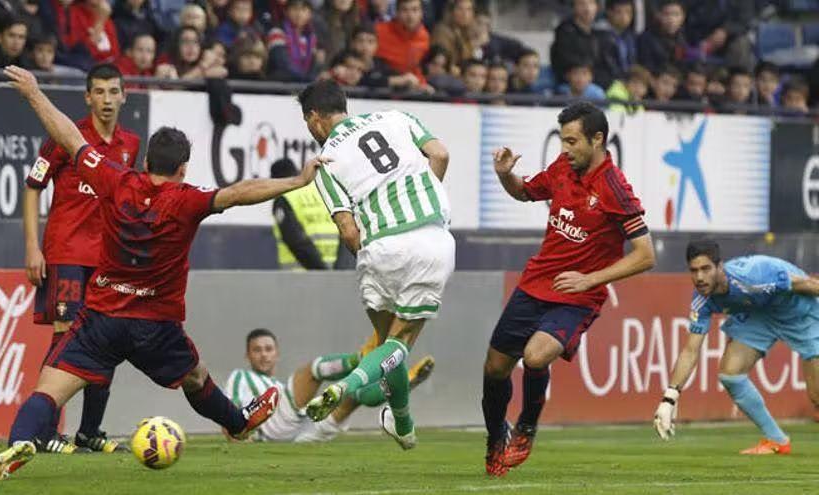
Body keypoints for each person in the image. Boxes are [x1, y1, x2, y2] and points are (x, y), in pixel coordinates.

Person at [0, 65, 322, 480]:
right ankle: (238, 424)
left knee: (48, 392)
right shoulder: (188, 200)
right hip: (156, 327)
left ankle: (19, 440)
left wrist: (34, 93)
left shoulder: (116, 180)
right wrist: (297, 180)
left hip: (102, 318)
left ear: (145, 161)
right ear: (183, 169)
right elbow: (238, 193)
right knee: (196, 378)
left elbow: (69, 137)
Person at [482, 102, 655, 477]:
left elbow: (646, 256)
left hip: (578, 295)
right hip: (536, 283)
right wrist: (505, 176)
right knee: (495, 369)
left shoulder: (615, 188)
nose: (565, 148)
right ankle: (497, 437)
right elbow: (525, 192)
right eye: (563, 140)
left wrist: (589, 280)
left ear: (597, 139)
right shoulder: (563, 169)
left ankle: (526, 427)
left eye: (572, 141)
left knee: (536, 356)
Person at [296, 80, 455, 451]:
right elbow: (441, 154)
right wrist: (425, 198)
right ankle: (347, 386)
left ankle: (401, 422)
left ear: (314, 118)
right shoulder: (396, 118)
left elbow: (348, 230)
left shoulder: (325, 163)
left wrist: (372, 251)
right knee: (399, 345)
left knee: (387, 345)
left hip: (379, 247)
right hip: (429, 237)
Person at [22, 63, 136, 455]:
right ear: (88, 97)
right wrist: (33, 247)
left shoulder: (129, 145)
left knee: (106, 341)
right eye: (99, 92)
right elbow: (33, 186)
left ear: (124, 96)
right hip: (67, 252)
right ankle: (42, 430)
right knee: (66, 336)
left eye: (113, 92)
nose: (107, 100)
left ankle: (89, 432)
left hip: (107, 260)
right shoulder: (64, 136)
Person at [653, 240, 819, 454]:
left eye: (706, 269)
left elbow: (806, 285)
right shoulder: (702, 301)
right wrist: (669, 398)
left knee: (817, 396)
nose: (700, 277)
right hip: (759, 315)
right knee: (731, 374)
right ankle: (776, 440)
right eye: (694, 271)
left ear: (720, 267)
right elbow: (690, 350)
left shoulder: (752, 276)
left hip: (798, 310)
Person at [222, 328, 435, 442]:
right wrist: (235, 438)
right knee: (311, 371)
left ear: (277, 353)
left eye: (268, 349)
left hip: (306, 433)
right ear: (247, 355)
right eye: (257, 350)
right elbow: (228, 412)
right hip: (273, 428)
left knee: (353, 397)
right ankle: (363, 358)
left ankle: (402, 383)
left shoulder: (278, 383)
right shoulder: (240, 377)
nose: (263, 355)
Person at [270, 158, 339, 270]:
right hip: (334, 274)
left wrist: (320, 272)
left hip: (301, 278)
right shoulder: (320, 192)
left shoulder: (285, 198)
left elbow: (296, 240)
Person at [375, 0, 431, 86]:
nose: (410, 16)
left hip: (411, 88)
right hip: (381, 85)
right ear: (397, 12)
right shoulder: (379, 31)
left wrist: (422, 84)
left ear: (421, 13)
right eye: (405, 10)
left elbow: (418, 68)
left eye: (415, 10)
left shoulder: (425, 37)